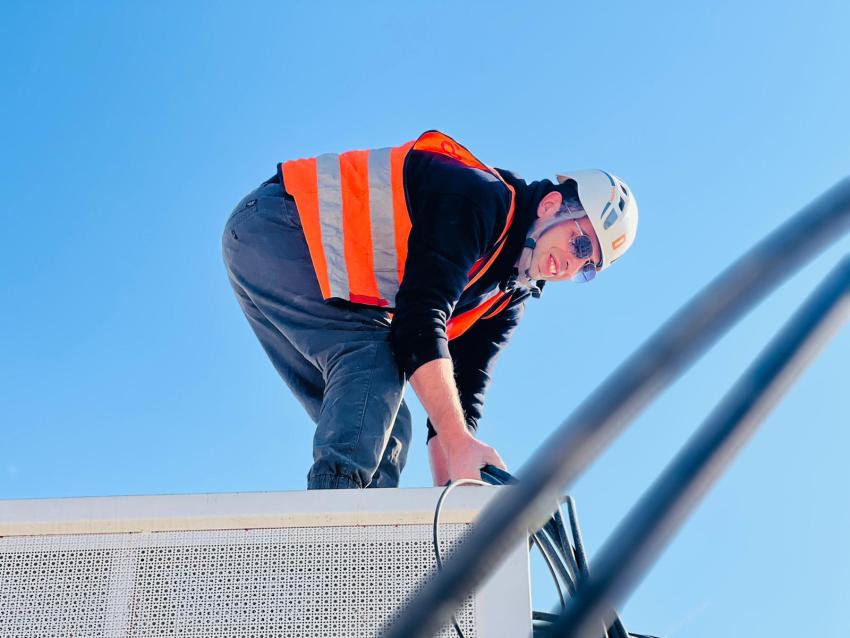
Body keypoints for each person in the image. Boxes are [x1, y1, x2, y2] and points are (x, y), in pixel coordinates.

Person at [221, 130, 638, 489]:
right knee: (373, 363)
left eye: (588, 268)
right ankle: (334, 540)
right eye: (580, 244)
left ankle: (363, 546)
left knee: (386, 424)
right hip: (280, 225)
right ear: (550, 205)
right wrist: (458, 444)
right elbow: (419, 319)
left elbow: (461, 399)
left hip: (293, 263)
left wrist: (457, 486)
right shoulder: (480, 199)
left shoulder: (504, 298)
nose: (573, 266)